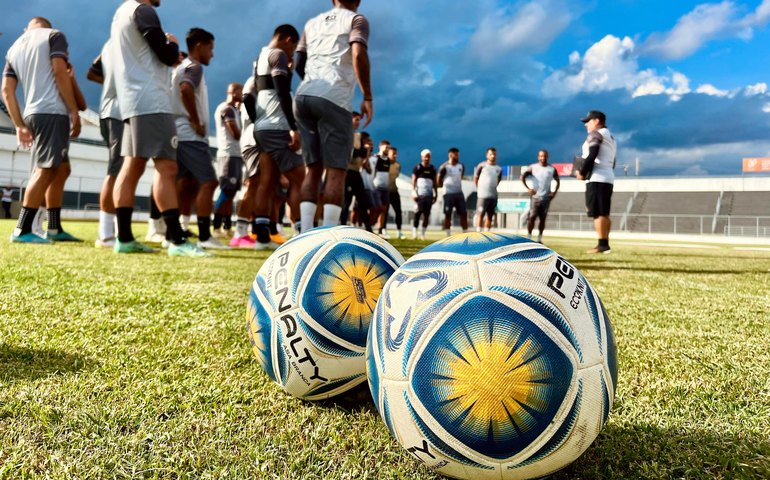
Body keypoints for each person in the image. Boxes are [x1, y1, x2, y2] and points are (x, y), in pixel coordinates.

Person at [110, 0, 203, 256]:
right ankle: (177, 241)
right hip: (152, 99)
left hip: (132, 100)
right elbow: (167, 55)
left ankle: (124, 238)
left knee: (132, 166)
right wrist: (172, 43)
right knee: (167, 167)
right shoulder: (143, 10)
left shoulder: (121, 13)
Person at [294, 0, 372, 233]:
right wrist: (367, 95)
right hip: (334, 97)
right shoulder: (356, 19)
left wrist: (314, 84)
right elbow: (358, 54)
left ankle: (305, 232)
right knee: (336, 171)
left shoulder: (311, 23)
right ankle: (329, 234)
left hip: (304, 94)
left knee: (313, 169)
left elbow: (299, 63)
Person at [3, 16, 82, 244]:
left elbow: (6, 90)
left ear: (27, 28)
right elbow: (59, 71)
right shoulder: (54, 36)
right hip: (52, 111)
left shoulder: (14, 48)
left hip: (33, 113)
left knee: (61, 169)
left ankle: (54, 227)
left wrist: (19, 124)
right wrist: (73, 110)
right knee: (45, 169)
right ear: (47, 26)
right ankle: (22, 229)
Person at [246, 24, 305, 250]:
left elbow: (251, 96)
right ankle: (303, 232)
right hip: (278, 127)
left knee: (267, 182)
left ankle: (262, 237)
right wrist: (293, 127)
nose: (291, 54)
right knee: (301, 180)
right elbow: (282, 92)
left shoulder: (260, 57)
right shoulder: (278, 54)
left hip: (262, 127)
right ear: (288, 39)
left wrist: (257, 122)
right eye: (293, 48)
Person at [171, 27, 224, 250]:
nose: (212, 53)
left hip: (178, 132)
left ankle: (177, 229)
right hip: (190, 134)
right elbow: (185, 89)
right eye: (210, 48)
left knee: (185, 183)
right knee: (209, 182)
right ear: (199, 46)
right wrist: (196, 121)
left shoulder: (181, 67)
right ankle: (204, 236)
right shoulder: (194, 67)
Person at [87, 38, 124, 248]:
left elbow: (92, 72)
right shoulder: (123, 41)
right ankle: (106, 234)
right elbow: (91, 74)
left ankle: (117, 230)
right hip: (118, 113)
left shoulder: (110, 44)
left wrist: (112, 83)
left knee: (123, 170)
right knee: (116, 169)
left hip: (111, 111)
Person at [576, 110, 617, 254]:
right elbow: (613, 161)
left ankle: (602, 245)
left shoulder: (596, 134)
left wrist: (582, 172)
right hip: (608, 177)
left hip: (596, 178)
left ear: (597, 121)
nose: (586, 124)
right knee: (604, 213)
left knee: (598, 213)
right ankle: (605, 243)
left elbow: (592, 154)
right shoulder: (610, 136)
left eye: (588, 121)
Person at [212, 82, 243, 238]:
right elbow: (236, 134)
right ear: (234, 91)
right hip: (228, 154)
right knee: (226, 190)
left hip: (236, 155)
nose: (243, 95)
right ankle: (216, 226)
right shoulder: (226, 109)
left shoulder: (235, 110)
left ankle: (227, 225)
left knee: (231, 193)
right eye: (241, 91)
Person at [341, 112, 373, 231]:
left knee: (362, 201)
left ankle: (368, 228)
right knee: (346, 201)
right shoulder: (345, 134)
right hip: (347, 172)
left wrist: (366, 151)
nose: (358, 122)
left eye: (359, 120)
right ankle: (342, 226)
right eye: (356, 119)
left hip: (356, 172)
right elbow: (351, 153)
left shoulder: (358, 136)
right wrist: (363, 151)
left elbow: (361, 155)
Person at [521, 149, 560, 243]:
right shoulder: (533, 167)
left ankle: (539, 239)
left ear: (547, 157)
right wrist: (528, 189)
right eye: (541, 156)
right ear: (538, 157)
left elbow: (558, 181)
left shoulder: (551, 169)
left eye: (545, 156)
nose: (543, 158)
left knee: (543, 218)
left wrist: (554, 193)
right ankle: (529, 237)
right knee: (532, 217)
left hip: (546, 198)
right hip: (535, 198)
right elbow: (522, 177)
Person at [438, 147, 468, 236]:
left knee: (463, 213)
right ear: (450, 155)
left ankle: (465, 234)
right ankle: (448, 234)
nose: (457, 156)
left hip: (459, 193)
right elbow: (438, 180)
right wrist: (444, 187)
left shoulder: (461, 166)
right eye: (456, 155)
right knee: (448, 214)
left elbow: (461, 177)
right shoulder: (444, 166)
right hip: (448, 193)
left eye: (458, 155)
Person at [474, 147, 502, 232]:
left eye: (494, 154)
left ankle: (487, 233)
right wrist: (479, 188)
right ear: (487, 155)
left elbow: (498, 180)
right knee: (480, 214)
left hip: (493, 195)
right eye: (491, 154)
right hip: (482, 195)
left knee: (490, 215)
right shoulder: (482, 165)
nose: (493, 156)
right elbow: (476, 178)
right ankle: (478, 233)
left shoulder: (499, 168)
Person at [411, 148, 437, 240]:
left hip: (429, 195)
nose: (427, 158)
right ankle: (414, 232)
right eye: (425, 156)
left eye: (428, 157)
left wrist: (435, 194)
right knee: (417, 214)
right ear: (422, 157)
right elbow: (413, 181)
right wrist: (413, 192)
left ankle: (423, 233)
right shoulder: (417, 167)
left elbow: (435, 182)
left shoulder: (432, 168)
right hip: (419, 196)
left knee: (426, 215)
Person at [371, 140, 391, 237]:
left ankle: (380, 229)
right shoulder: (375, 158)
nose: (387, 149)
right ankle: (370, 226)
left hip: (385, 188)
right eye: (386, 147)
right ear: (380, 147)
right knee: (376, 208)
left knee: (384, 209)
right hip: (376, 187)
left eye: (388, 148)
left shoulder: (388, 160)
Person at [386, 146, 404, 238]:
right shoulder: (384, 163)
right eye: (393, 154)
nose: (395, 155)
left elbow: (396, 176)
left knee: (398, 211)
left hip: (394, 190)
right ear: (388, 154)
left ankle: (399, 231)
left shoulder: (398, 165)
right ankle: (383, 230)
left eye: (396, 154)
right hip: (385, 191)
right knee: (384, 211)